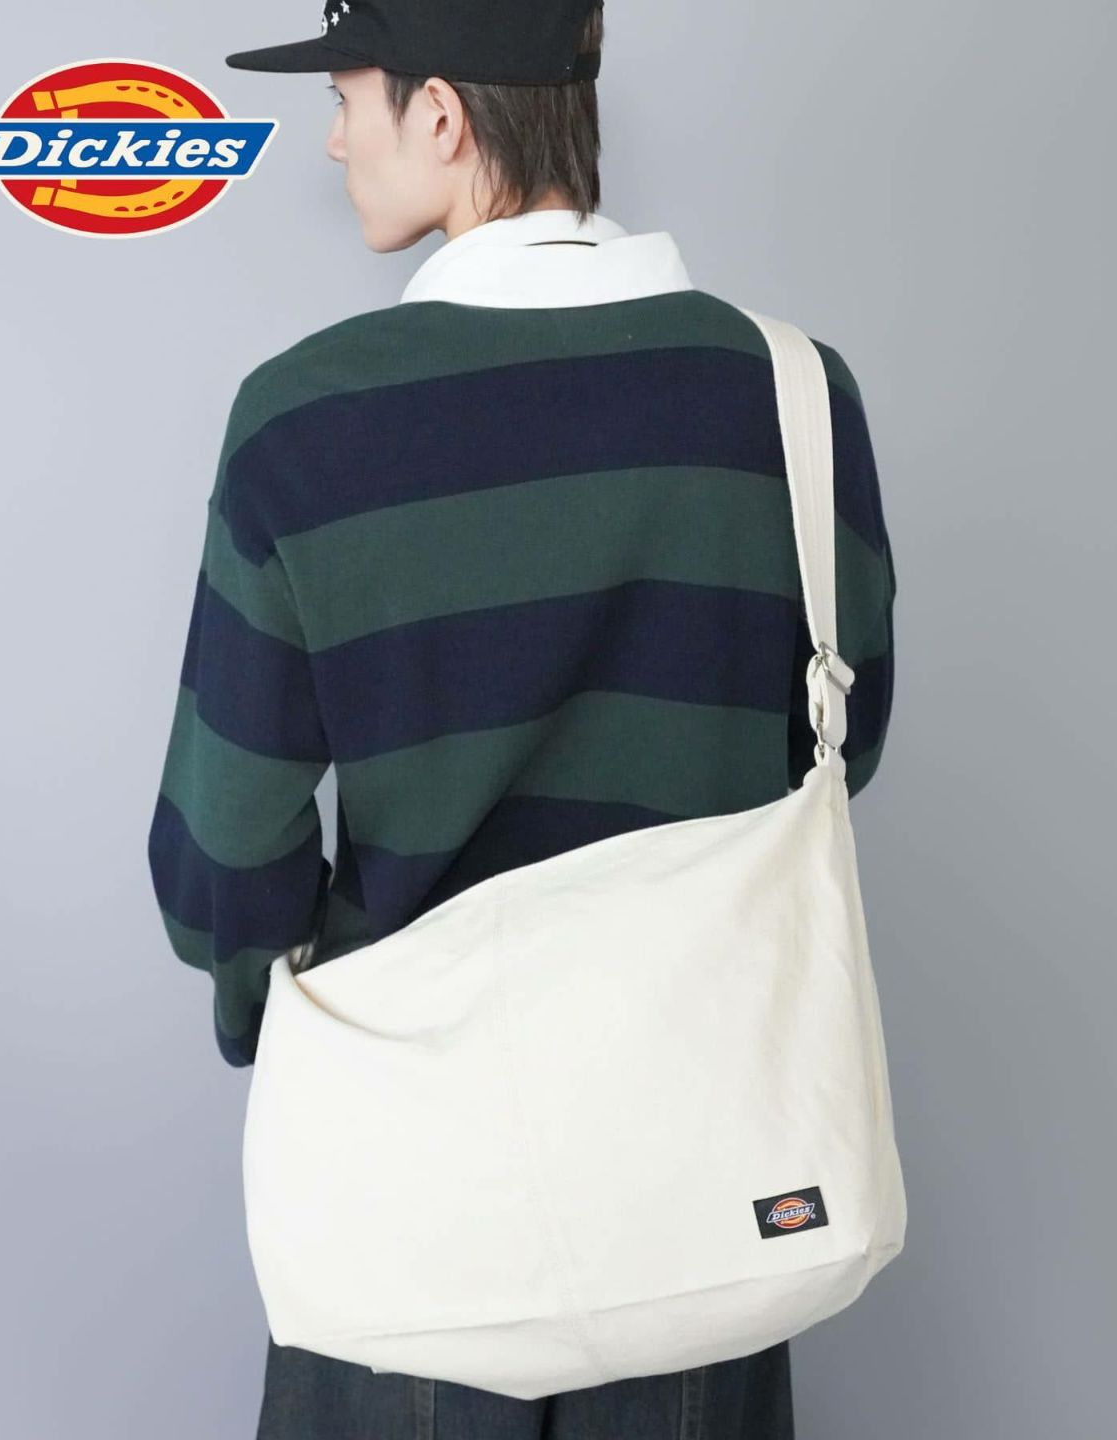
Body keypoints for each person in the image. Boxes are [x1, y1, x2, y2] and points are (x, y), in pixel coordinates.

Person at [146, 2, 897, 1435]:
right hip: (711, 1200)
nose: (333, 140)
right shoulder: (795, 396)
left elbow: (222, 863)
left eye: (347, 98)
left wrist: (290, 1013)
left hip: (414, 1219)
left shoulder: (305, 426)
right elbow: (835, 747)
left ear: (438, 113)